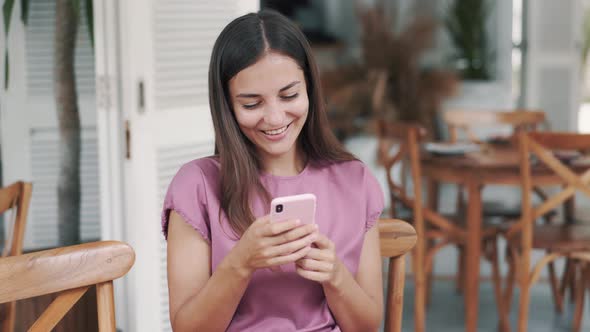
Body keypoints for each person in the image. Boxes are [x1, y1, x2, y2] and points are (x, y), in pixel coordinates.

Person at [161, 9, 385, 332]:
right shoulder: (196, 187)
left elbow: (366, 327)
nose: (276, 118)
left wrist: (335, 275)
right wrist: (242, 261)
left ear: (309, 87)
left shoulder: (355, 181)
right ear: (227, 106)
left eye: (289, 95)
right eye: (252, 104)